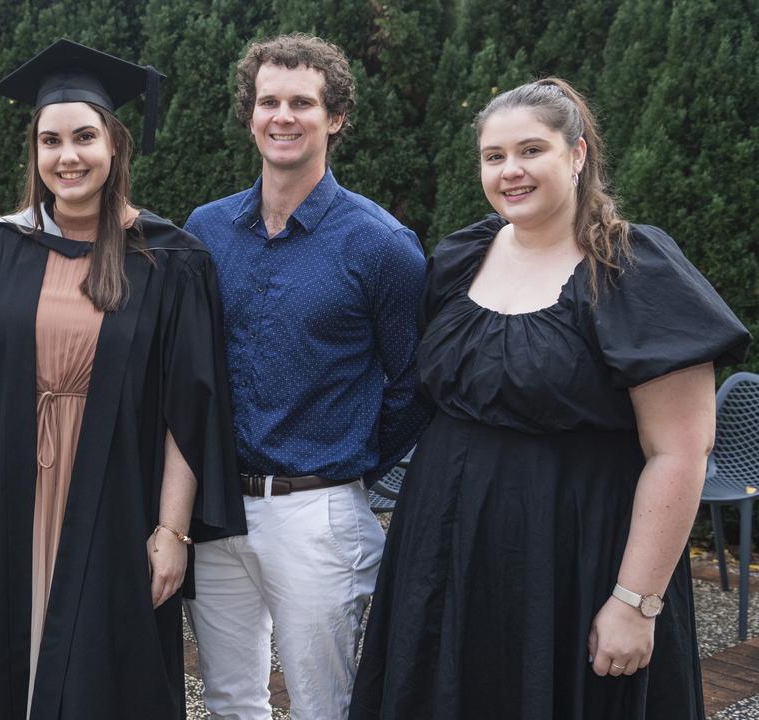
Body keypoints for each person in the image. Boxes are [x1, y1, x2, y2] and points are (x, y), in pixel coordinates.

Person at [349, 78, 752, 720]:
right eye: (494, 156)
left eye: (531, 150)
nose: (511, 171)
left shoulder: (633, 270)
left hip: (576, 553)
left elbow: (680, 451)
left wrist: (635, 601)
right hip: (447, 549)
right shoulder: (459, 258)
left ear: (578, 154)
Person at [0, 39, 246, 720]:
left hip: (117, 497)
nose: (67, 156)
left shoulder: (170, 261)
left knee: (106, 675)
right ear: (34, 151)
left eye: (83, 137)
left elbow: (184, 410)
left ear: (114, 144)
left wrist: (173, 531)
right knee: (0, 669)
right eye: (51, 141)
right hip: (6, 494)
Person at [181, 34, 429, 720]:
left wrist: (348, 459)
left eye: (301, 102)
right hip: (216, 509)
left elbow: (414, 383)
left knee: (329, 706)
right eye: (268, 101)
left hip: (315, 510)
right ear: (249, 113)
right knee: (232, 701)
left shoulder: (381, 246)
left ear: (335, 117)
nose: (282, 116)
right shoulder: (206, 231)